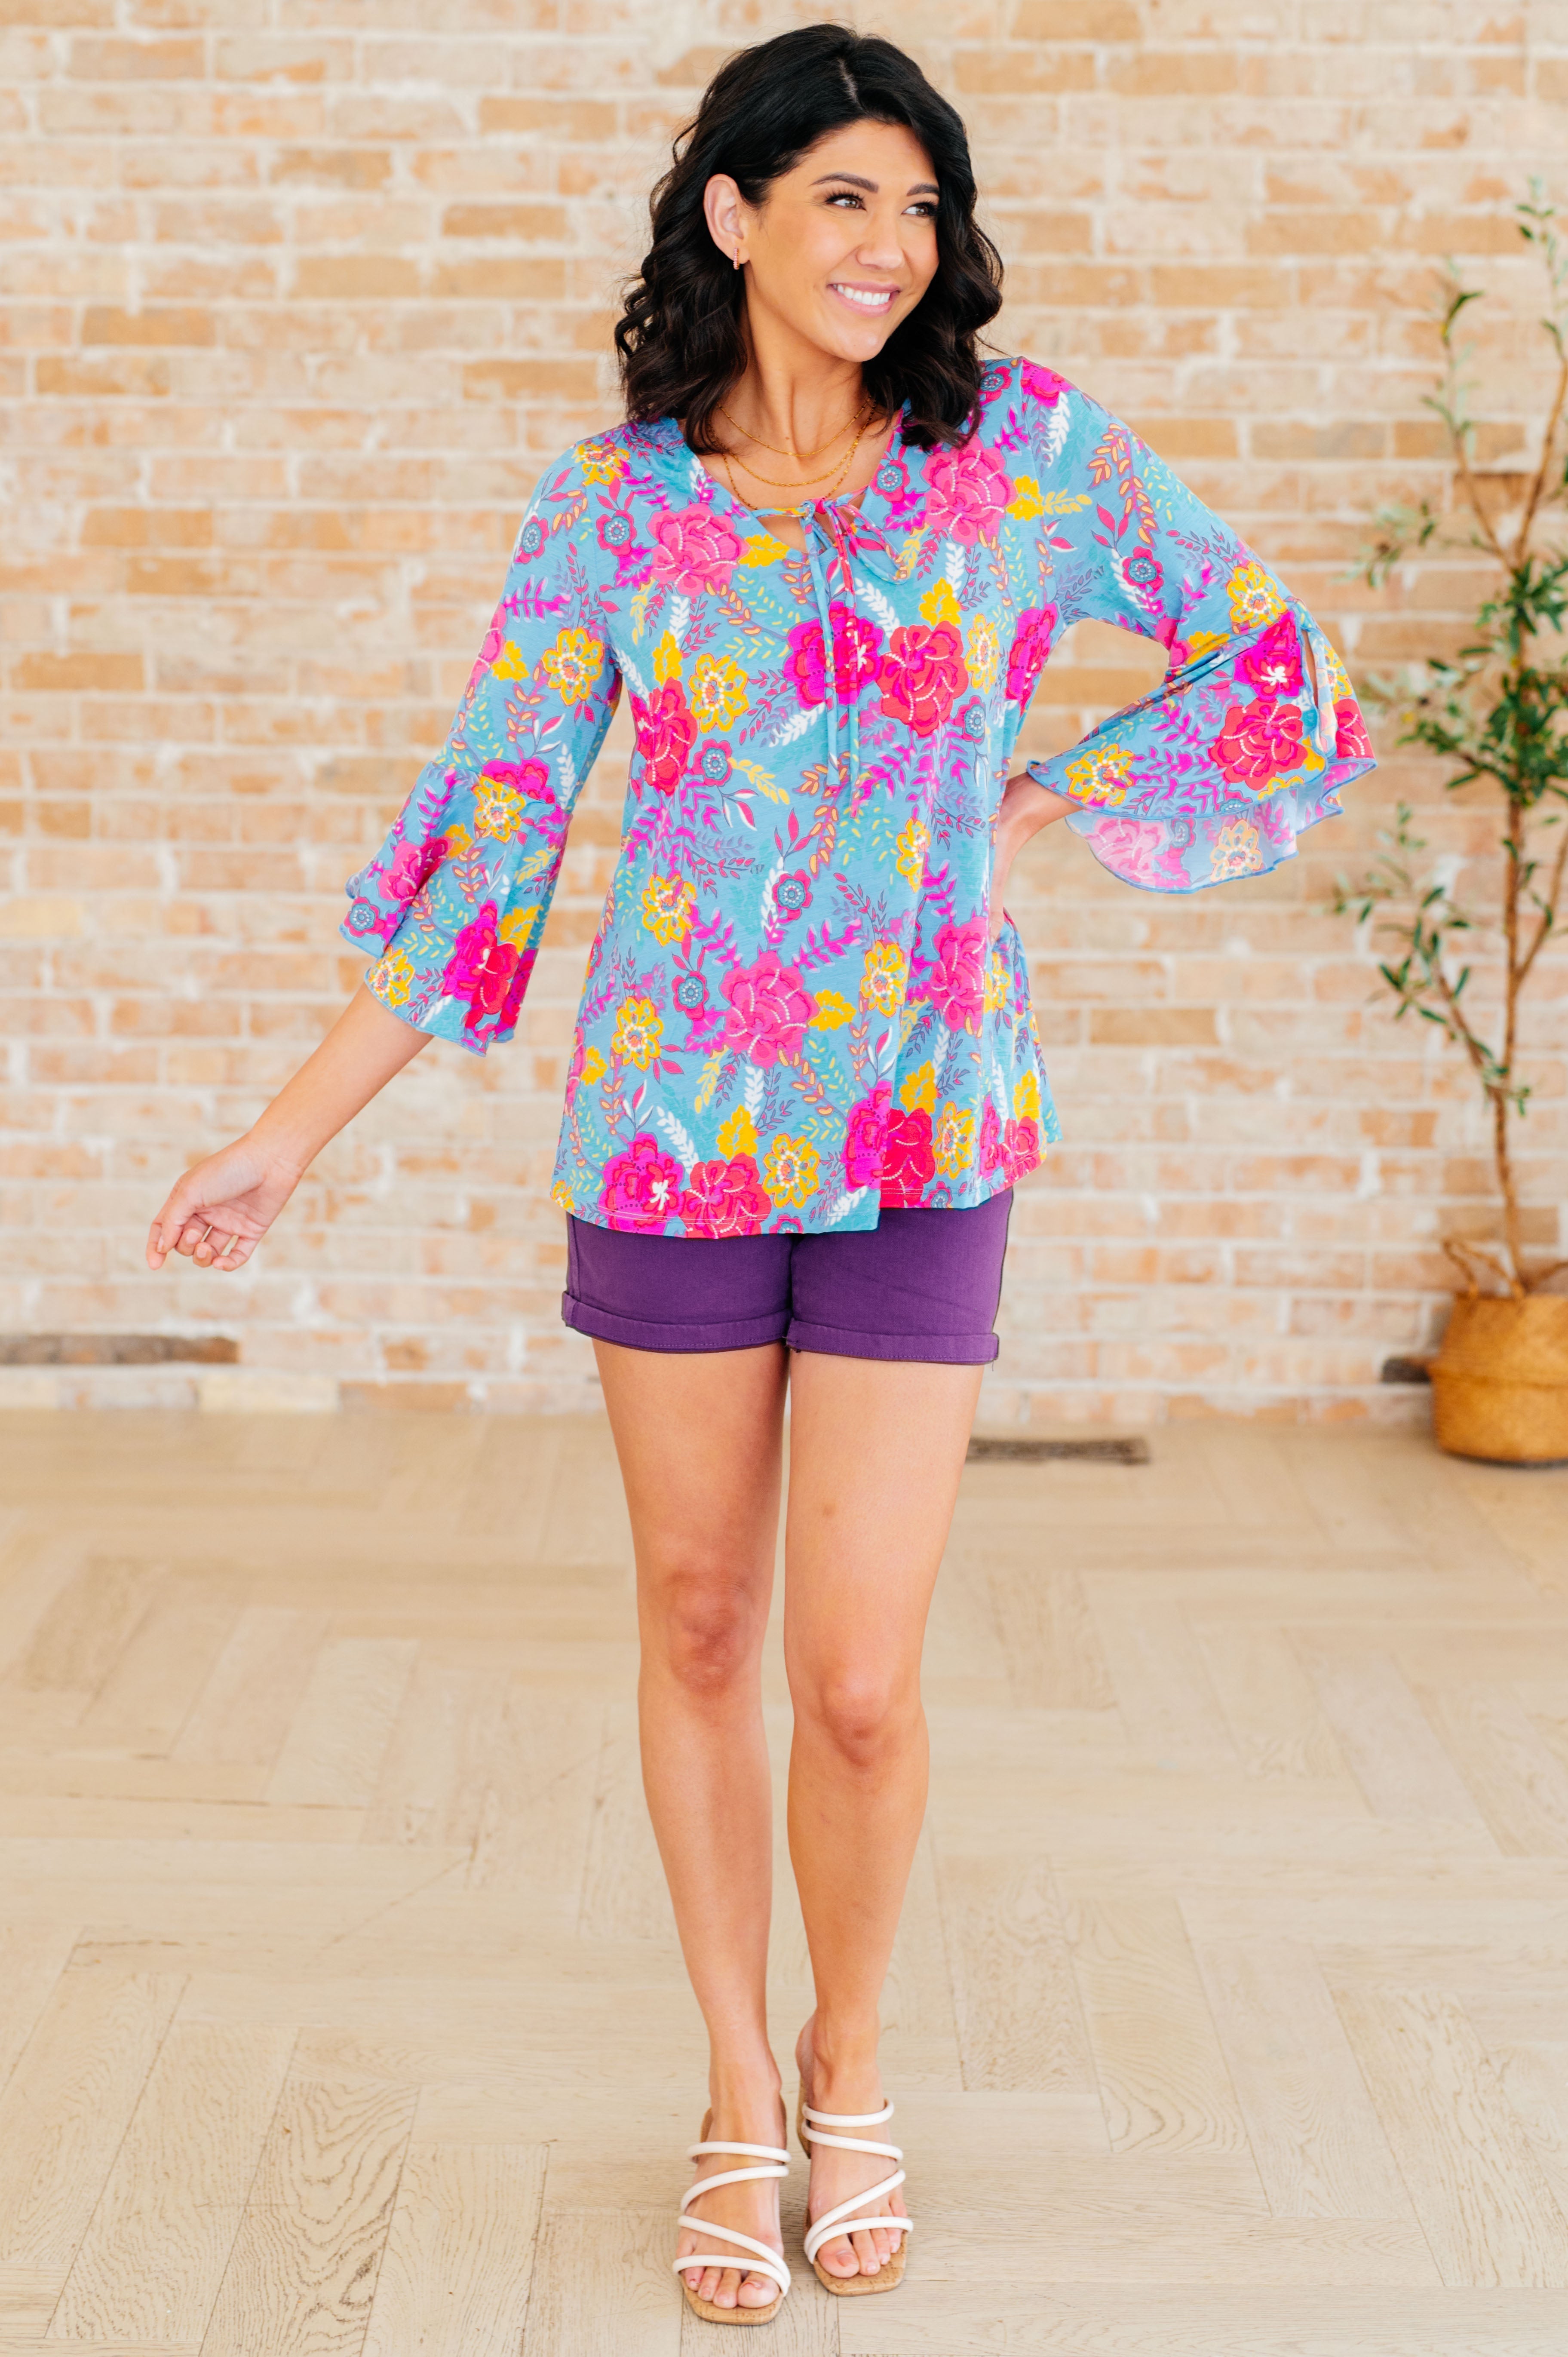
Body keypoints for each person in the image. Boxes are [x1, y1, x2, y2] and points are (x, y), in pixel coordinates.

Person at [146, 22, 1375, 2324]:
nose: (887, 248)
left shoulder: (1023, 457)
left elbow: (1273, 665)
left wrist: (1040, 806)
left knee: (861, 1680)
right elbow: (492, 836)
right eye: (841, 200)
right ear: (733, 214)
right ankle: (734, 2083)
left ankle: (851, 2063)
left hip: (924, 1129)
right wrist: (284, 1140)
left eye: (918, 209)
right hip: (669, 1139)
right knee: (701, 1624)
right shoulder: (614, 508)